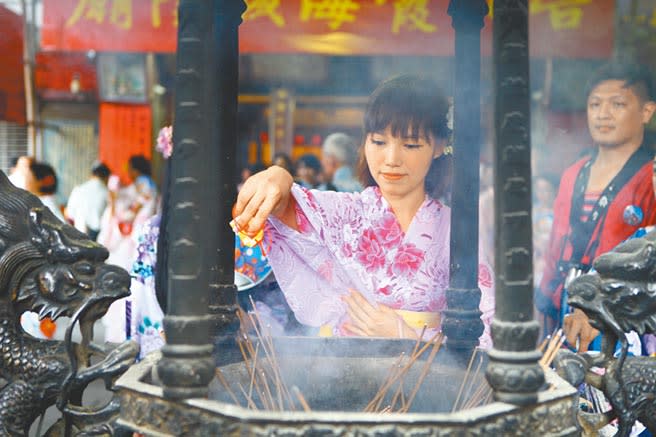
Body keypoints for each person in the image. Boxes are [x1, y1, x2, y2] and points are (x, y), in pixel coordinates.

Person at [233, 74, 494, 345]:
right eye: (379, 142)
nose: (391, 159)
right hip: (341, 374)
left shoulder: (456, 231)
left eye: (411, 144)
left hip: (430, 377)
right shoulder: (345, 214)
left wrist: (406, 335)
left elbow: (487, 330)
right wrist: (277, 176)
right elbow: (288, 205)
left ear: (438, 147)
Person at [538, 62, 656, 352]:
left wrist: (600, 306)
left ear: (646, 112)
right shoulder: (572, 174)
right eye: (595, 104)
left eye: (617, 104)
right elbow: (554, 253)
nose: (603, 114)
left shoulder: (651, 177)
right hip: (563, 308)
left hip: (623, 322)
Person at [65, 161, 111, 241]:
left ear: (92, 175)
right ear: (107, 177)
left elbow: (69, 214)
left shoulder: (78, 190)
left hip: (79, 235)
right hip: (98, 238)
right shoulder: (107, 193)